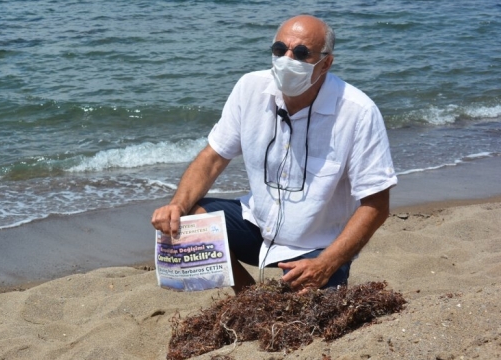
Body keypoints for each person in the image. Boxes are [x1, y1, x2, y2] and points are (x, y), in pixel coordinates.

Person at [151, 15, 397, 294]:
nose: (287, 59)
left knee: (308, 320)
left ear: (326, 62)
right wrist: (176, 205)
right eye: (280, 50)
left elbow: (377, 204)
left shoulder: (358, 112)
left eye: (302, 53)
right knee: (188, 218)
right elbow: (213, 158)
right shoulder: (250, 88)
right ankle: (247, 298)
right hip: (258, 227)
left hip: (319, 246)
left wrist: (327, 263)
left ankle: (325, 274)